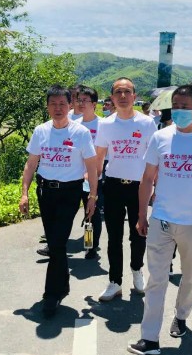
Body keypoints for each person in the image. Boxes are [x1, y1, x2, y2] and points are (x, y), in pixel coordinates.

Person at [127, 85, 192, 355]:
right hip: (161, 219)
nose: (179, 111)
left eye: (185, 106)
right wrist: (142, 215)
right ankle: (149, 338)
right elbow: (147, 178)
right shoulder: (160, 137)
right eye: (176, 106)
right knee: (156, 279)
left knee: (189, 276)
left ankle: (181, 315)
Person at [19, 85, 98, 317]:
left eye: (62, 104)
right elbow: (31, 164)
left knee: (57, 243)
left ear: (70, 105)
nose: (58, 108)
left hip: (70, 193)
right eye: (53, 104)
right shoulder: (41, 131)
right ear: (47, 107)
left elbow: (92, 167)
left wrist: (92, 196)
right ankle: (62, 285)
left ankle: (51, 295)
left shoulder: (80, 133)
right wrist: (24, 192)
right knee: (56, 243)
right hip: (45, 192)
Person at [94, 77, 157, 301]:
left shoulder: (147, 123)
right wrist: (92, 190)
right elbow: (99, 157)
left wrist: (156, 187)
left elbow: (154, 159)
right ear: (112, 97)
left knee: (138, 233)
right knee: (114, 237)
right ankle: (115, 281)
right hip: (113, 185)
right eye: (118, 92)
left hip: (139, 186)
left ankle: (137, 270)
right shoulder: (105, 124)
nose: (122, 96)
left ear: (134, 96)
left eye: (127, 92)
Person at [77, 85, 104, 259]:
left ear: (94, 104)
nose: (81, 103)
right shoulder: (74, 124)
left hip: (95, 176)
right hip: (75, 176)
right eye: (79, 100)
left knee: (91, 212)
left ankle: (90, 245)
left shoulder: (103, 125)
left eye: (85, 100)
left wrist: (94, 172)